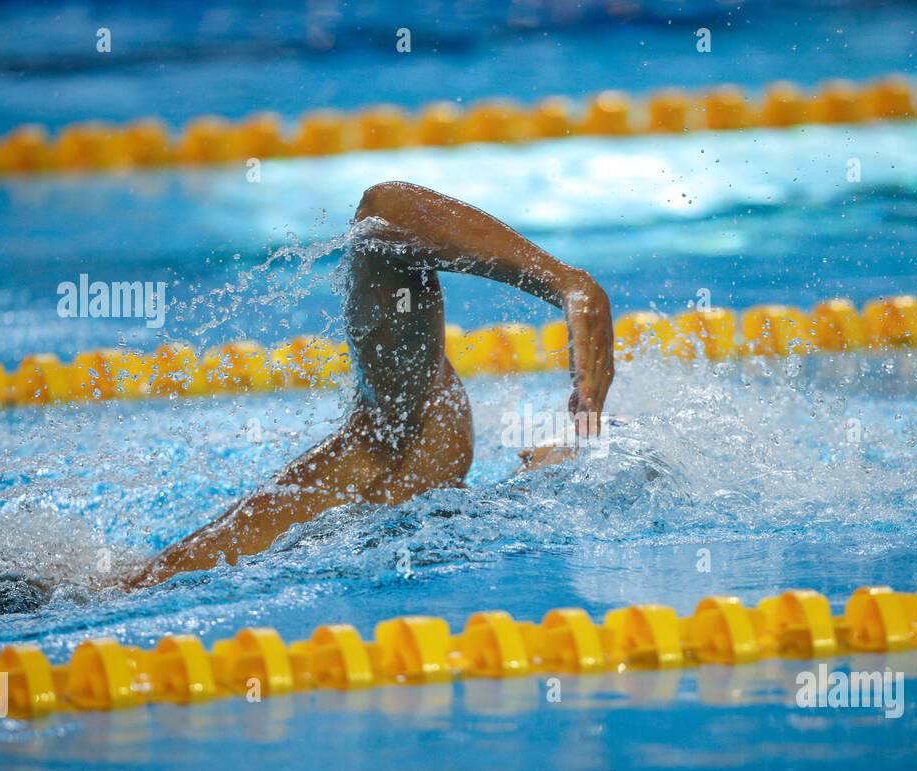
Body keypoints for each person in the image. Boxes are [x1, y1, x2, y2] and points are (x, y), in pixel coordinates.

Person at [123, 181, 614, 588]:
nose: (540, 442)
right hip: (120, 600)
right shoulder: (420, 441)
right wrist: (566, 282)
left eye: (571, 441)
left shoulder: (437, 480)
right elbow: (382, 211)